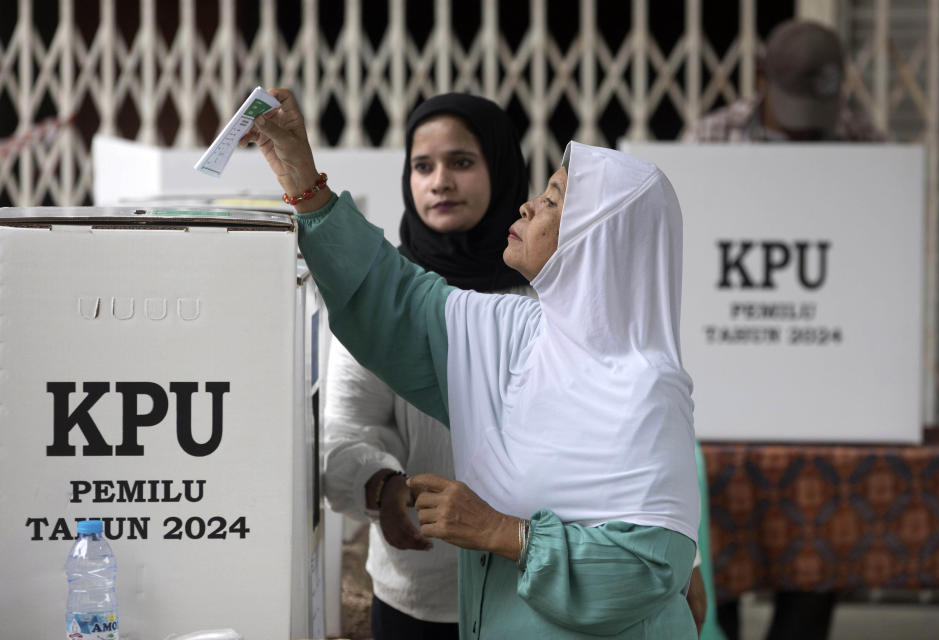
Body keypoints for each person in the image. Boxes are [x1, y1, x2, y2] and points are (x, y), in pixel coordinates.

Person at [243, 88, 701, 637]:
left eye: (553, 201)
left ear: (597, 239)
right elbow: (397, 300)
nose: (528, 206)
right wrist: (302, 177)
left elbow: (651, 566)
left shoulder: (645, 383)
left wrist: (504, 534)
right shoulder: (519, 332)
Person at [684, 19, 886, 640]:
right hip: (719, 392)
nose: (803, 123)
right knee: (716, 561)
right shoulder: (709, 139)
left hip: (820, 397)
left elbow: (877, 269)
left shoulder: (864, 145)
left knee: (816, 551)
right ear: (760, 79)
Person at [322, 93, 532, 639]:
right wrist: (384, 485)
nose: (439, 181)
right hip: (416, 597)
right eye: (423, 165)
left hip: (537, 589)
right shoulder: (385, 301)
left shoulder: (550, 292)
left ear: (502, 168)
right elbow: (343, 432)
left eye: (461, 162)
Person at [683, 19, 884, 143]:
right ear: (761, 79)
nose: (805, 129)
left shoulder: (860, 136)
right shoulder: (711, 137)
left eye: (820, 110)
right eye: (797, 106)